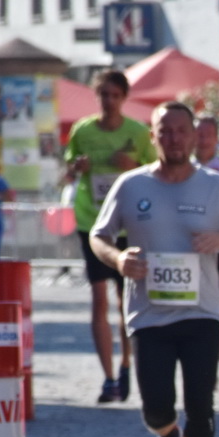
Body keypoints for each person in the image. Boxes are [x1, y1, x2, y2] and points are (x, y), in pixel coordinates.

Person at [89, 101, 219, 437]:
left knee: (201, 406)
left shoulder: (217, 187)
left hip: (202, 314)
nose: (174, 138)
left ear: (196, 136)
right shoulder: (132, 186)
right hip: (148, 315)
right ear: (153, 136)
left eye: (182, 130)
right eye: (165, 131)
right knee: (156, 407)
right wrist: (117, 260)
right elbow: (99, 235)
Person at [65, 68, 157, 403]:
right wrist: (78, 168)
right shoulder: (82, 130)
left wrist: (130, 166)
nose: (109, 101)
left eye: (115, 95)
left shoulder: (137, 132)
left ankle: (127, 365)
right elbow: (68, 167)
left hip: (129, 223)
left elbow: (154, 173)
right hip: (93, 221)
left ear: (124, 98)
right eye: (103, 94)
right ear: (97, 95)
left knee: (126, 300)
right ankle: (107, 377)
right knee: (99, 298)